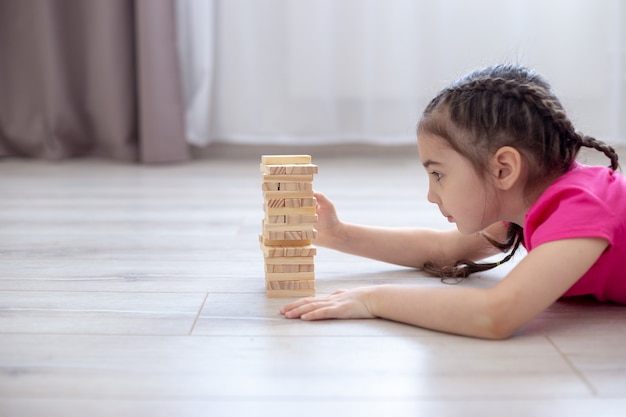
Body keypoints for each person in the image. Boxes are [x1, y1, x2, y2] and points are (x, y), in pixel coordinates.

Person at [280, 64, 626, 339]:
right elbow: (443, 249)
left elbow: (496, 316)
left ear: (503, 169)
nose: (431, 194)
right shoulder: (528, 199)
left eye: (438, 175)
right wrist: (337, 234)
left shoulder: (580, 207)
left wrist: (374, 299)